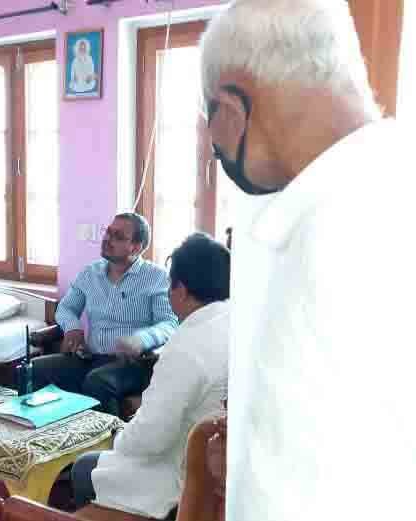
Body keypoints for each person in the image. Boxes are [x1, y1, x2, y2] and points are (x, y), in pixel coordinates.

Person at [199, 1, 416, 520]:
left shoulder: (335, 237)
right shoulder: (393, 182)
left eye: (211, 131)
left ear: (229, 109)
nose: (215, 147)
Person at [69, 233, 230, 519]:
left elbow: (151, 438)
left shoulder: (187, 345)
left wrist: (120, 436)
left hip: (182, 474)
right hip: (214, 459)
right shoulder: (232, 321)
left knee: (84, 467)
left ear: (180, 290)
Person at [33, 213, 178, 416]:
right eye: (108, 232)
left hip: (133, 364)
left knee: (97, 381)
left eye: (118, 236)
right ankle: (45, 439)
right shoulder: (90, 273)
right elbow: (65, 308)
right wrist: (73, 328)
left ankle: (110, 444)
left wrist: (141, 339)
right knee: (34, 370)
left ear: (136, 247)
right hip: (90, 357)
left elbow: (169, 323)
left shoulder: (156, 277)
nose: (107, 239)